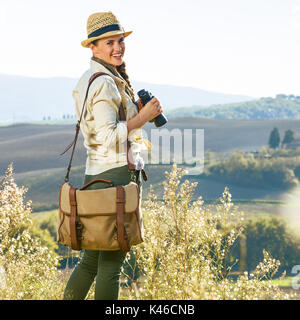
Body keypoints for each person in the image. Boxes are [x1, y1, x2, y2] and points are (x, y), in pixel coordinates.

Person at [63, 11, 162, 300]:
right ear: (93, 47)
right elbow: (107, 136)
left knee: (91, 262)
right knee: (111, 265)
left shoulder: (90, 78)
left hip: (95, 175)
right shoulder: (105, 82)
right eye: (109, 42)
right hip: (116, 177)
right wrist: (142, 117)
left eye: (120, 41)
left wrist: (133, 109)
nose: (117, 47)